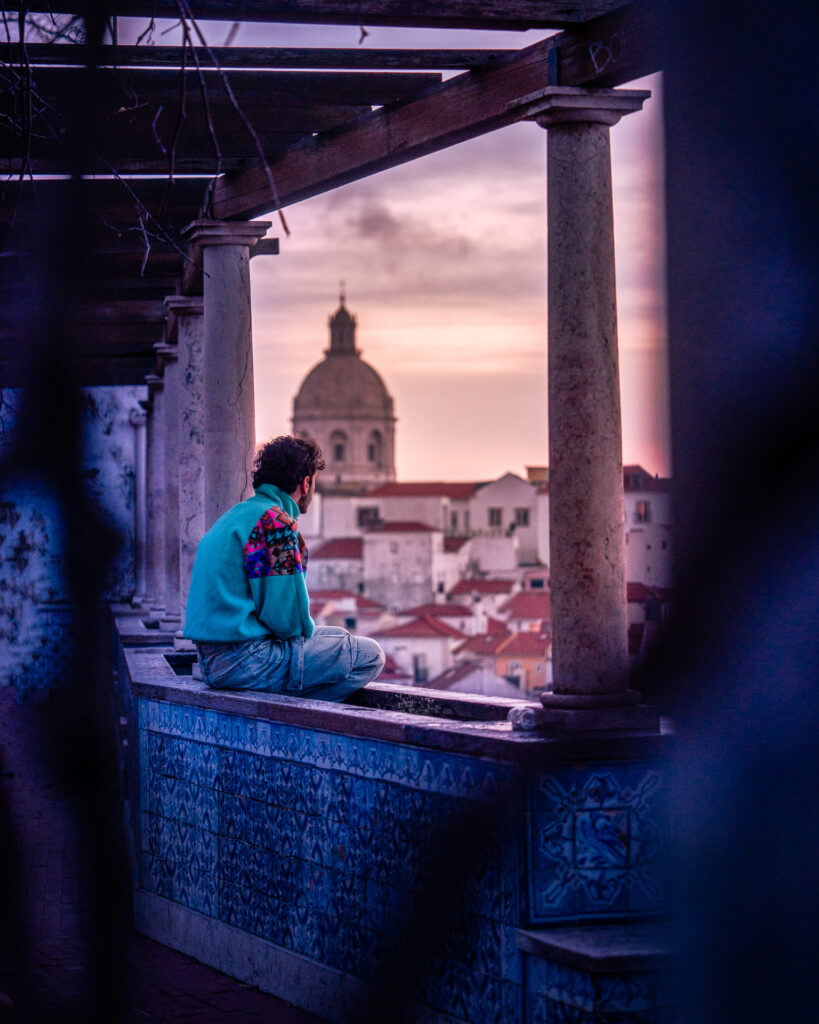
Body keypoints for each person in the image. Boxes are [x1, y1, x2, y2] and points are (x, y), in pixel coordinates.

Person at [184, 435, 384, 700]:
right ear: (306, 482)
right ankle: (306, 712)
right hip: (246, 661)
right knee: (370, 655)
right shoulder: (274, 524)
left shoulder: (233, 517)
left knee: (338, 635)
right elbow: (290, 624)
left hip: (211, 661)